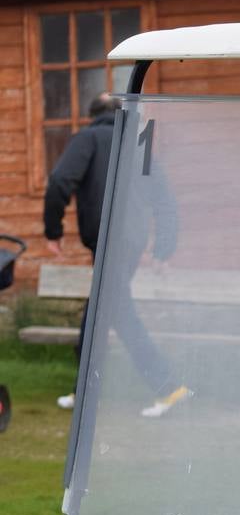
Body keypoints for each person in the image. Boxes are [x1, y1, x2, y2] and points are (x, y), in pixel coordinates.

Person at [44, 93, 187, 417]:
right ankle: (85, 390)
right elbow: (164, 198)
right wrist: (164, 248)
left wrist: (53, 231)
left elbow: (59, 182)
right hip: (132, 241)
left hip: (108, 240)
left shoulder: (89, 137)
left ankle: (169, 387)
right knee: (99, 309)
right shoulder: (142, 142)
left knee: (119, 312)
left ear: (91, 115)